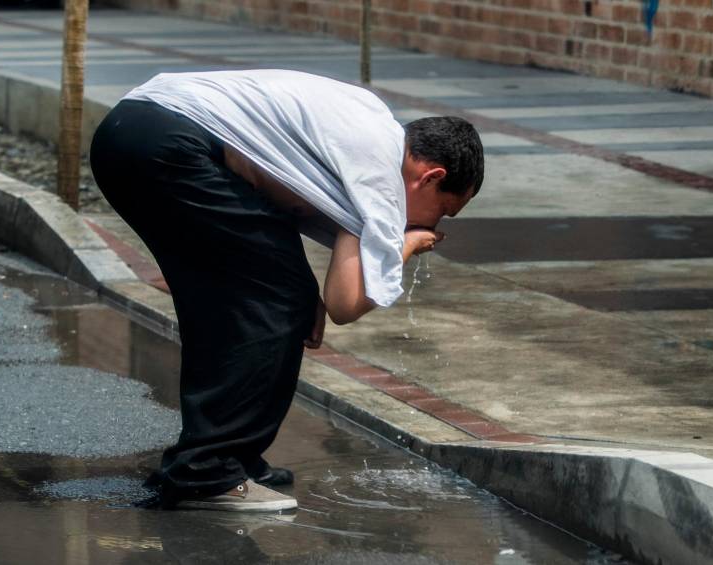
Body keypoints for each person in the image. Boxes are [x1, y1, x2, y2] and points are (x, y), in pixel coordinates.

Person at [89, 69, 484, 512]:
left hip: (131, 131)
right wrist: (408, 243)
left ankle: (223, 459)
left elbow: (286, 217)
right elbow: (346, 304)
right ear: (430, 177)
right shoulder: (379, 171)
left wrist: (300, 289)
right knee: (268, 302)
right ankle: (207, 472)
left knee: (242, 301)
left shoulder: (370, 128)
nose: (434, 224)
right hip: (172, 145)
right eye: (443, 212)